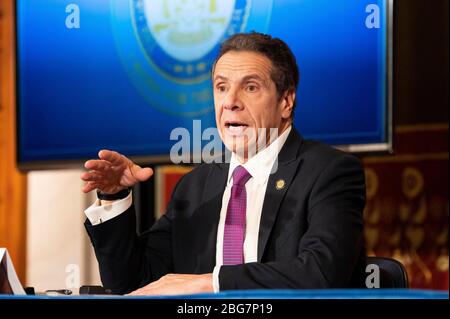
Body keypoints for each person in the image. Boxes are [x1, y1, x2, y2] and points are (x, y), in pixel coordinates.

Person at [81, 32, 366, 295]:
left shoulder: (330, 172)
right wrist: (114, 196)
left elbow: (322, 273)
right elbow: (133, 284)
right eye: (221, 87)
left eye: (250, 87)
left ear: (286, 102)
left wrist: (210, 282)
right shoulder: (195, 187)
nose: (230, 102)